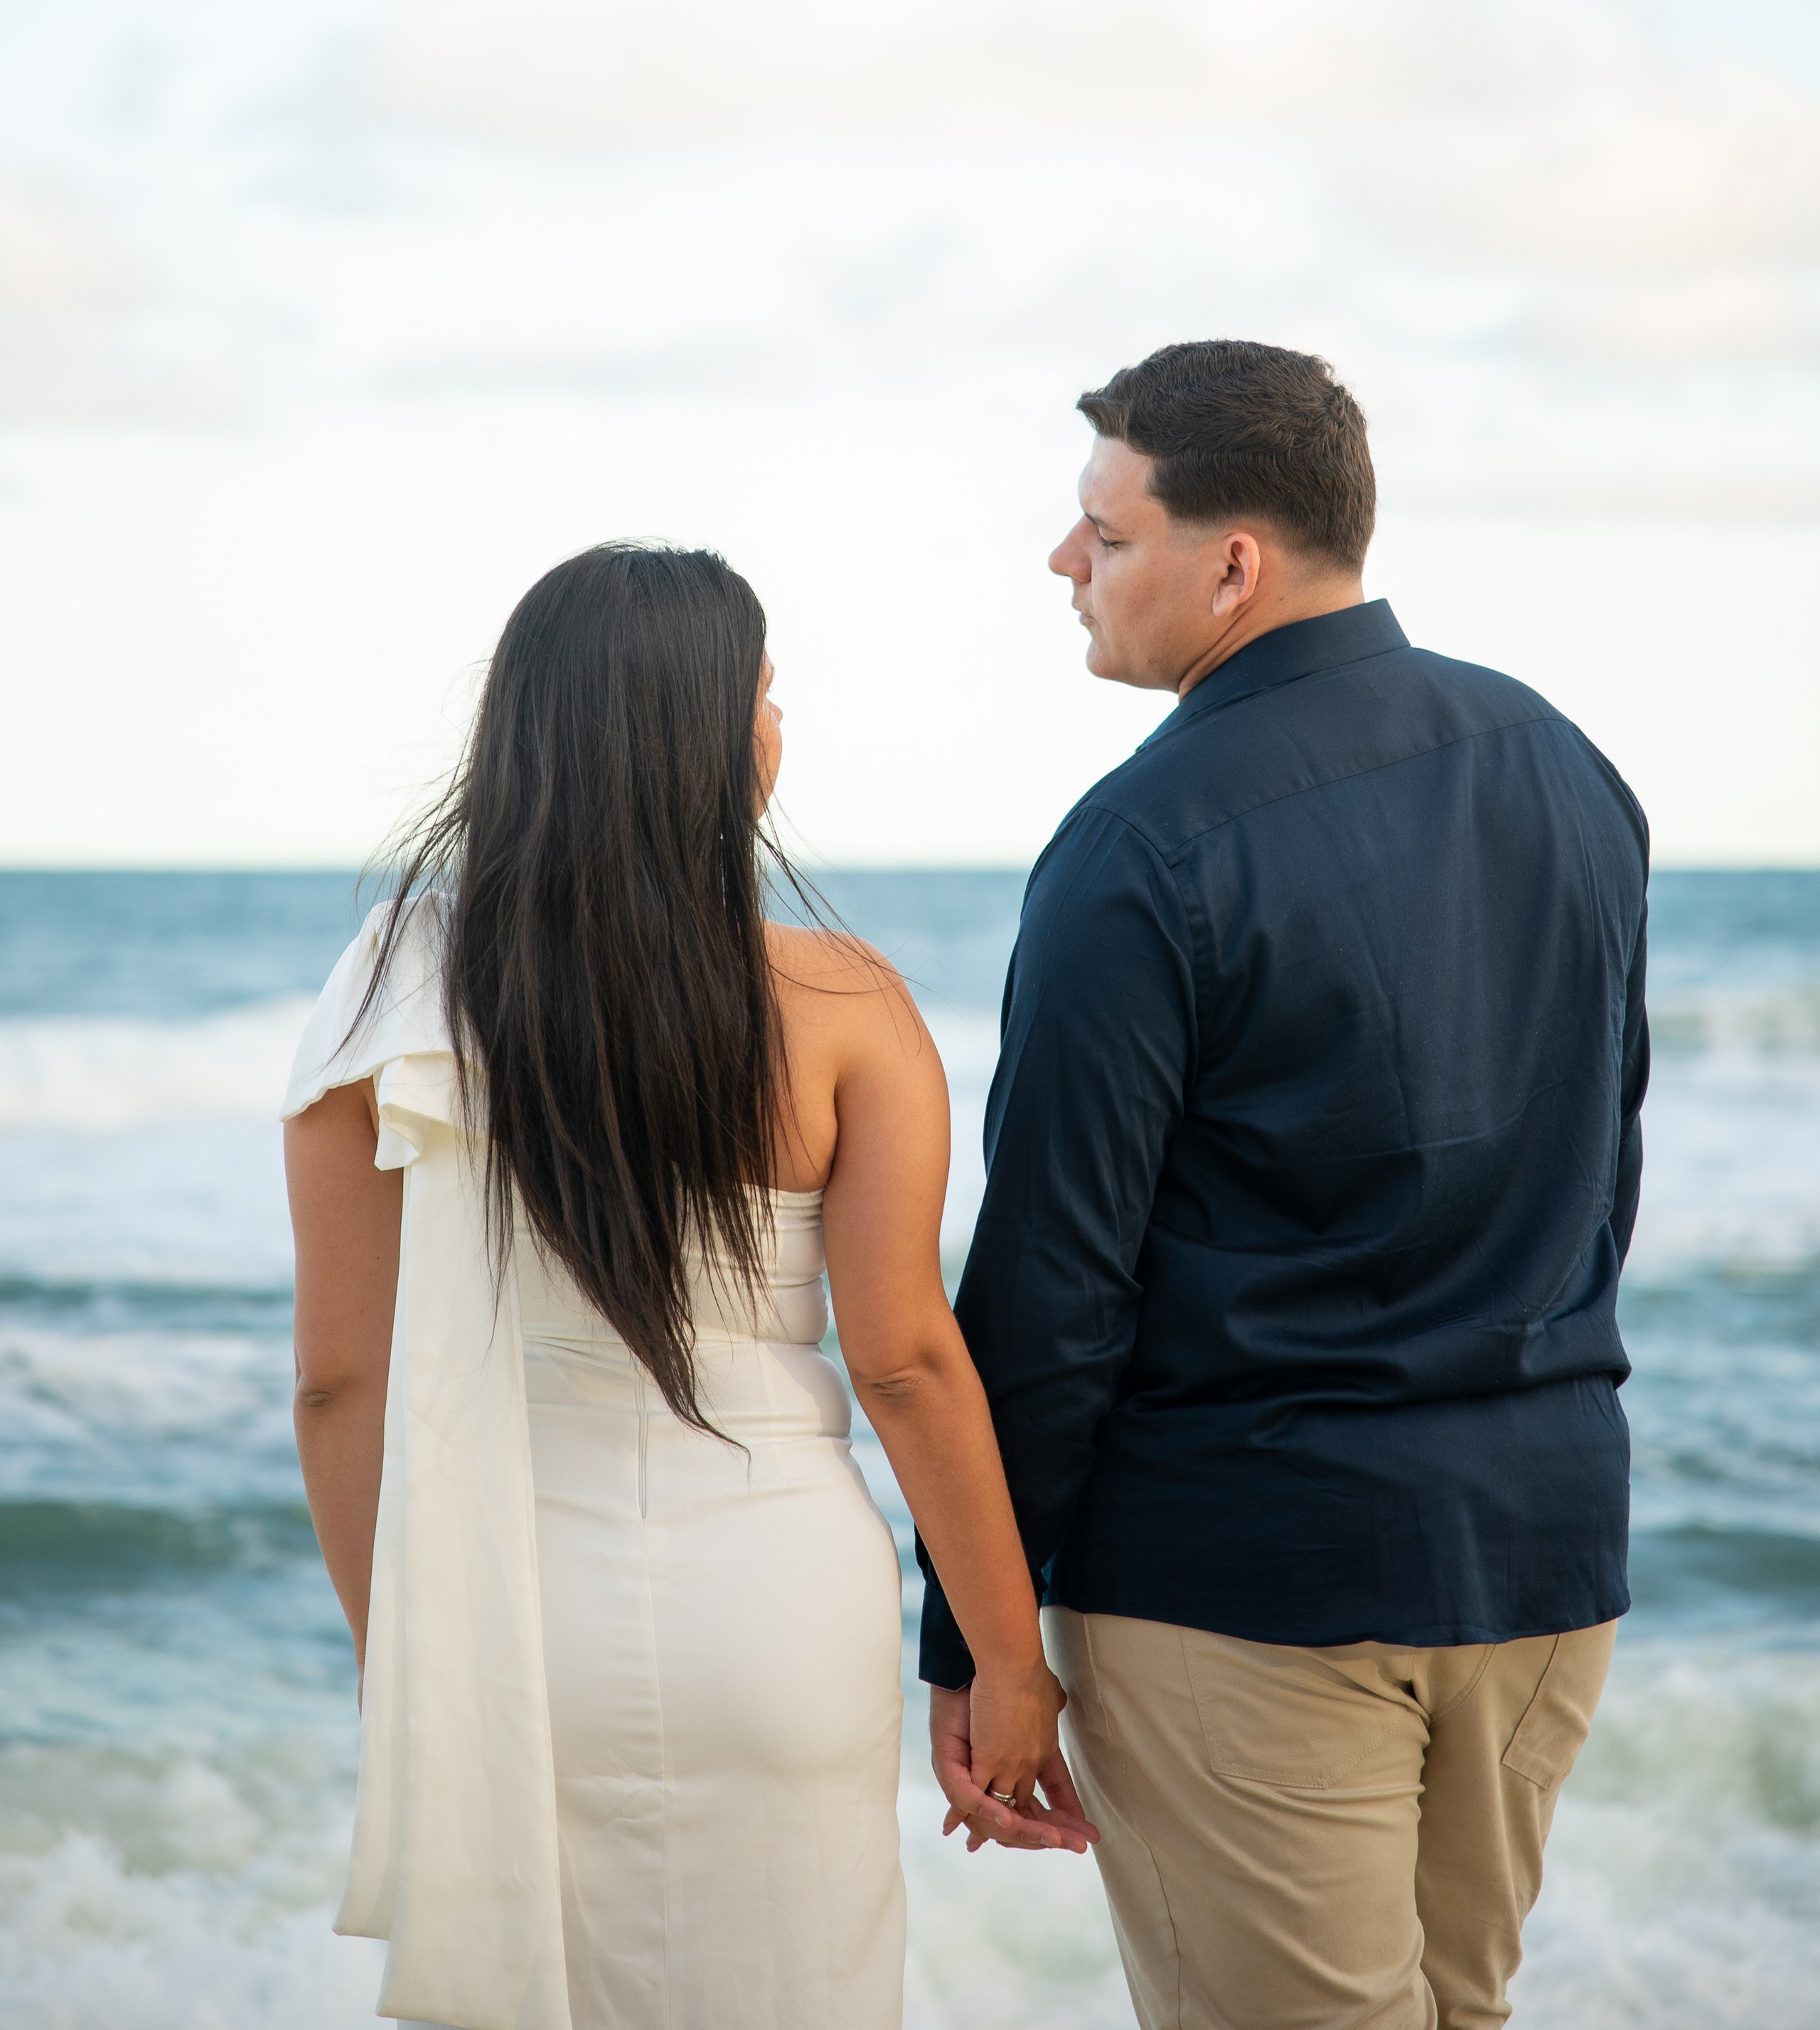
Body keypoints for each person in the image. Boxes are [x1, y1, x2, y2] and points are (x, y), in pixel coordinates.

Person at [919, 340, 1649, 2030]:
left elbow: (1050, 1287)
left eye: (1102, 536)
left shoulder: (1143, 840)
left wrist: (976, 1641)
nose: (1062, 567)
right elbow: (1593, 1162)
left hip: (1251, 1589)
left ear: (1229, 562)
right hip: (1539, 1559)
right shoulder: (1565, 765)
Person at [282, 542, 1092, 2030]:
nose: (779, 722)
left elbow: (341, 1383)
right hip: (779, 1610)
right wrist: (1004, 1658)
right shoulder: (845, 1002)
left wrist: (395, 1653)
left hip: (514, 1623)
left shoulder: (395, 987)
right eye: (765, 692)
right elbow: (906, 1362)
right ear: (713, 742)